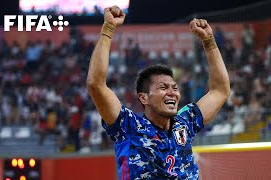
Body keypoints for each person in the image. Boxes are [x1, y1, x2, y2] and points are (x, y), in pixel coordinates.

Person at [87, 5, 230, 179]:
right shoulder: (129, 127)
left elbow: (220, 90)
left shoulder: (185, 123)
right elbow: (96, 84)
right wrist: (108, 30)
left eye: (174, 88)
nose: (172, 92)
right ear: (143, 98)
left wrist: (209, 42)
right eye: (163, 87)